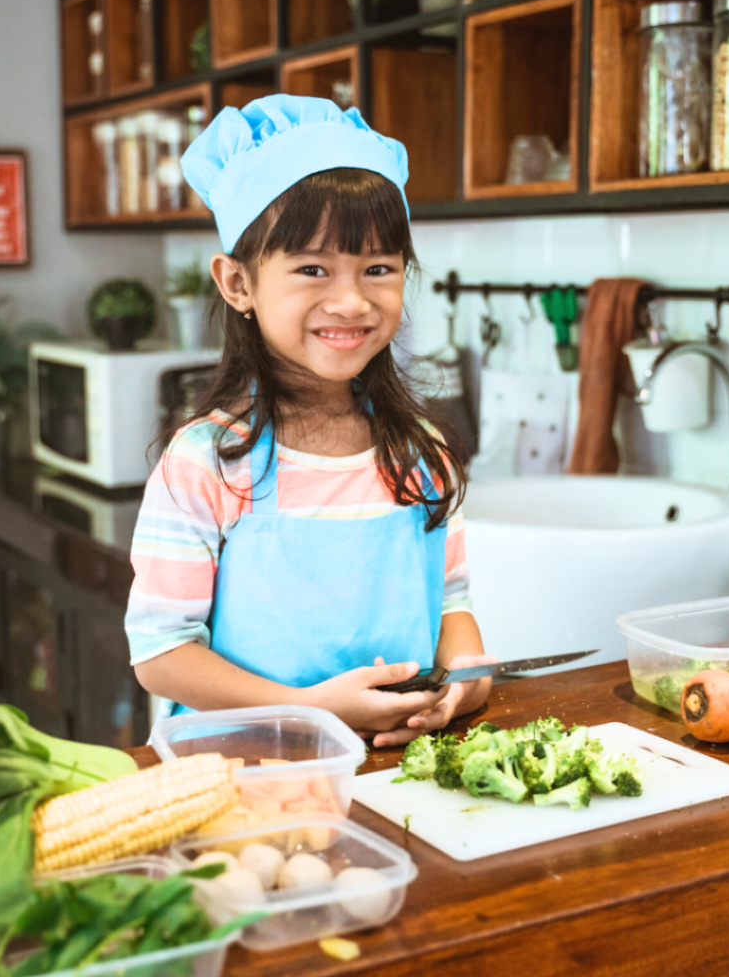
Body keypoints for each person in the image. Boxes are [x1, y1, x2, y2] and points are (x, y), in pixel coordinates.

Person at [125, 95, 495, 747]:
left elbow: (453, 612)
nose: (351, 300)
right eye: (312, 269)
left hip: (394, 775)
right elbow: (162, 656)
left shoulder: (422, 453)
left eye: (378, 268)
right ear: (237, 283)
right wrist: (307, 709)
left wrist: (461, 690)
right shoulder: (207, 461)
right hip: (240, 777)